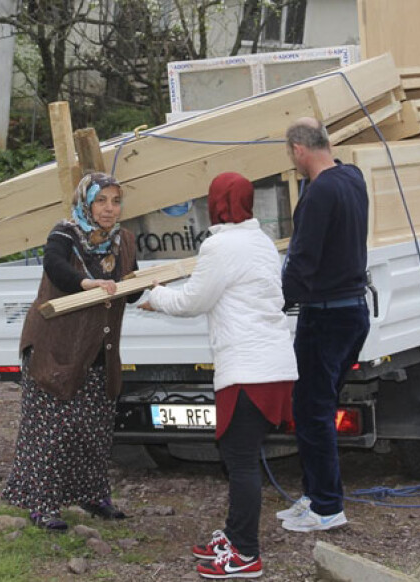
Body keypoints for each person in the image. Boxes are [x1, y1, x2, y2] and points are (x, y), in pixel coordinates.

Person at [140, 172, 297, 579]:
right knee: (239, 455)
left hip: (248, 368)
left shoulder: (219, 245)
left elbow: (194, 301)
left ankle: (246, 554)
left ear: (216, 203)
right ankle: (233, 534)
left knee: (240, 460)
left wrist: (154, 295)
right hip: (274, 364)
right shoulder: (260, 241)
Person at [2, 172, 139, 531]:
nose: (109, 209)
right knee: (52, 431)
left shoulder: (124, 241)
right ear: (86, 203)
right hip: (56, 348)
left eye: (115, 201)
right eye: (101, 201)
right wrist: (87, 284)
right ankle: (42, 505)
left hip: (98, 350)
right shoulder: (65, 233)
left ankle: (93, 497)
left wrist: (144, 286)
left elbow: (130, 287)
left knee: (93, 429)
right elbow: (56, 268)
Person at [277, 117, 370, 533]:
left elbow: (303, 258)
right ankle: (315, 495)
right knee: (317, 405)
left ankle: (327, 507)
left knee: (312, 412)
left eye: (292, 155)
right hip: (353, 311)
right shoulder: (352, 178)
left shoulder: (318, 193)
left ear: (299, 150)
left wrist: (278, 298)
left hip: (326, 316)